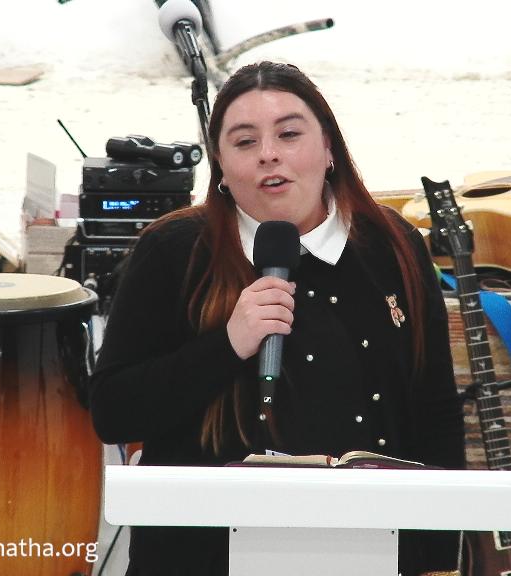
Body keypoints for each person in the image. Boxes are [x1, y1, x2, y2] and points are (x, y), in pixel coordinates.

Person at [90, 60, 466, 576]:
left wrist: (438, 559)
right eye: (245, 142)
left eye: (289, 134)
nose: (269, 153)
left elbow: (435, 410)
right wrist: (227, 345)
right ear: (221, 167)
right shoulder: (172, 250)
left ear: (329, 148)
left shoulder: (392, 244)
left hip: (373, 544)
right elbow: (113, 412)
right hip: (202, 554)